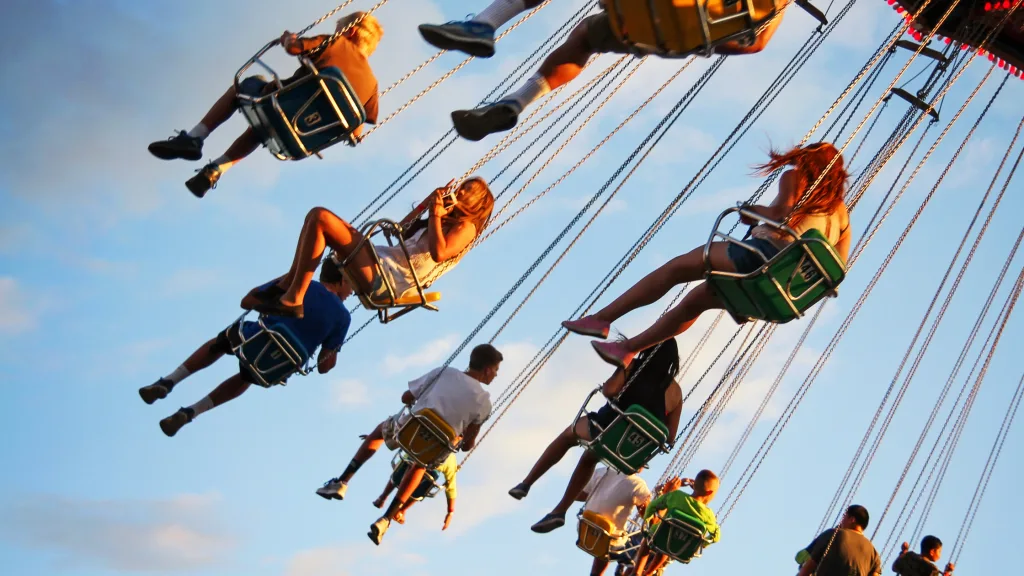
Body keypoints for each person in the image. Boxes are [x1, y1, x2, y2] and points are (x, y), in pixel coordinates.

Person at [562, 142, 852, 369]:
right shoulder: (841, 214)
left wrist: (748, 211)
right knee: (693, 304)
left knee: (676, 269)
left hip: (760, 261)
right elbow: (837, 271)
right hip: (783, 292)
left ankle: (602, 319)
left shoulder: (796, 177)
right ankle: (628, 349)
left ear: (809, 161)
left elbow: (781, 214)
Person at [418, 0, 784, 141]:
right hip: (671, 33)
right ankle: (516, 104)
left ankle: (484, 23)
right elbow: (758, 43)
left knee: (582, 38)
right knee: (585, 39)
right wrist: (695, 44)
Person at [147, 12, 383, 197]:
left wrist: (289, 39)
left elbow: (293, 48)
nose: (336, 33)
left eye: (339, 30)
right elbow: (357, 130)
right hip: (302, 136)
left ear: (350, 32)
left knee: (247, 87)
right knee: (263, 128)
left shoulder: (335, 43)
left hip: (278, 102)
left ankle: (193, 138)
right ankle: (215, 171)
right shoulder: (372, 85)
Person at [138, 259, 352, 437]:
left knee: (220, 343)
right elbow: (325, 366)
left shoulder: (302, 284)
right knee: (247, 377)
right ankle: (191, 412)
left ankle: (169, 381)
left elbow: (248, 300)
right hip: (278, 366)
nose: (352, 291)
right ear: (342, 280)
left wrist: (276, 304)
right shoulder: (343, 317)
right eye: (352, 284)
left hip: (257, 337)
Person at [315, 343, 502, 544]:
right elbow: (467, 445)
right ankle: (386, 519)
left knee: (380, 431)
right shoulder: (484, 402)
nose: (496, 375)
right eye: (496, 371)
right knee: (421, 464)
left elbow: (406, 397)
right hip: (431, 448)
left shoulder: (444, 372)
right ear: (487, 370)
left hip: (407, 429)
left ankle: (342, 481)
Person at [245, 177, 494, 318]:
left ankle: (293, 296)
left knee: (322, 217)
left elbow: (440, 253)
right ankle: (289, 285)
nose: (459, 190)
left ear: (477, 201)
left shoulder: (467, 228)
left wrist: (437, 216)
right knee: (316, 217)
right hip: (379, 261)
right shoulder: (438, 220)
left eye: (466, 190)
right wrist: (428, 206)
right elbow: (399, 229)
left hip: (386, 279)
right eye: (461, 186)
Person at [508, 339, 683, 533]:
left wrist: (621, 367)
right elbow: (670, 436)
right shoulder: (676, 392)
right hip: (632, 452)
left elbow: (609, 391)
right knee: (589, 458)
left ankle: (527, 483)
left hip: (605, 428)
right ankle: (559, 511)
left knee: (567, 436)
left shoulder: (634, 365)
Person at [629, 471, 721, 576]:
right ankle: (648, 573)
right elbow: (716, 536)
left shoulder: (676, 496)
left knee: (648, 540)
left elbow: (653, 506)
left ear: (693, 484)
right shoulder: (708, 515)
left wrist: (646, 519)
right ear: (709, 493)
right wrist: (703, 544)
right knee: (667, 549)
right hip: (679, 546)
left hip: (660, 534)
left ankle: (637, 570)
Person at [575, 466, 659, 576]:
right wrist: (665, 495)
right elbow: (651, 520)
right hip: (611, 541)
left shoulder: (603, 471)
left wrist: (603, 497)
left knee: (604, 533)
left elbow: (578, 495)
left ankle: (597, 573)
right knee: (639, 540)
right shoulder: (638, 485)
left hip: (585, 529)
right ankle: (629, 567)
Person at [369, 453, 459, 529]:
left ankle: (383, 497)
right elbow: (451, 487)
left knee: (407, 460)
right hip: (419, 478)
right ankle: (402, 510)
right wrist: (450, 512)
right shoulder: (450, 458)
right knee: (431, 476)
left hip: (404, 468)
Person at [796, 504, 882, 576]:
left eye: (844, 516)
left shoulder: (833, 534)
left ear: (852, 519)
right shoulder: (874, 554)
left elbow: (808, 565)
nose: (841, 521)